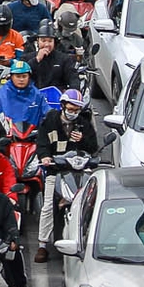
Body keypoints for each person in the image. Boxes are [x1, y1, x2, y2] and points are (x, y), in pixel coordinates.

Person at [34, 89, 97, 260]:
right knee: (47, 206)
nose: (73, 113)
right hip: (56, 171)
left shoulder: (84, 124)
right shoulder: (50, 121)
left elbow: (93, 147)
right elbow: (42, 143)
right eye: (70, 109)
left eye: (76, 110)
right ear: (63, 106)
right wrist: (45, 157)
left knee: (90, 203)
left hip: (79, 171)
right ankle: (42, 244)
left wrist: (82, 140)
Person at [0, 59, 46, 133]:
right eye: (18, 76)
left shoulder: (37, 94)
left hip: (33, 136)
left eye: (24, 76)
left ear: (29, 77)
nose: (21, 79)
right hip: (7, 136)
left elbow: (46, 113)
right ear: (11, 77)